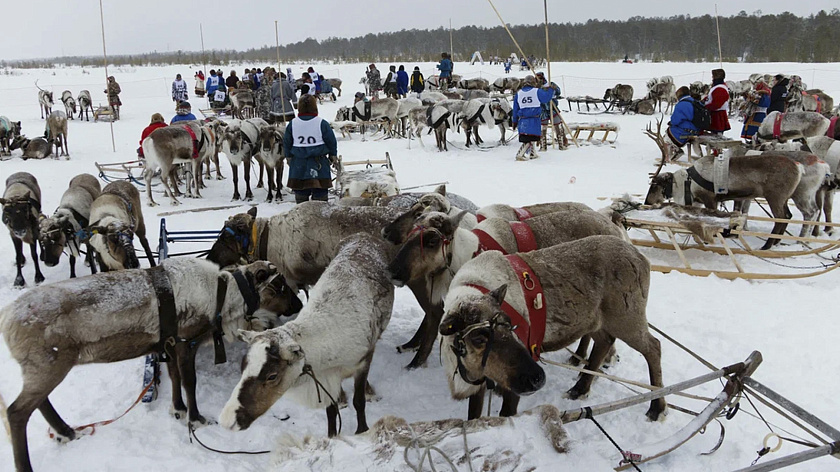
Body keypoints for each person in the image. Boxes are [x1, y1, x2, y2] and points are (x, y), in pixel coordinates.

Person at [283, 94, 337, 204]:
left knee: (301, 201)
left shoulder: (292, 124)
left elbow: (287, 143)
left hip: (298, 166)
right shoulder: (322, 123)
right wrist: (333, 155)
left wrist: (288, 157)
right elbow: (331, 141)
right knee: (320, 201)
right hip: (319, 165)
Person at [512, 75, 555, 161]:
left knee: (530, 136)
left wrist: (514, 121)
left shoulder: (519, 93)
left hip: (523, 119)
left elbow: (515, 108)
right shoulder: (536, 91)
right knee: (529, 138)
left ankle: (532, 153)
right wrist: (551, 89)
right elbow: (545, 98)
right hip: (533, 118)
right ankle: (520, 154)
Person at [535, 71, 568, 150]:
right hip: (543, 110)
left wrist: (553, 88)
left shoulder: (550, 84)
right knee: (543, 127)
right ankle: (543, 145)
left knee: (558, 125)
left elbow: (558, 92)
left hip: (552, 108)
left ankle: (561, 143)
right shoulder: (535, 88)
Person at [667, 86, 699, 160]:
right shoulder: (695, 102)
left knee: (667, 135)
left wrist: (671, 123)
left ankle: (670, 155)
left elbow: (675, 121)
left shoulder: (681, 105)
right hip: (696, 130)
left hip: (686, 132)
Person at [704, 68, 730, 134]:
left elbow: (716, 104)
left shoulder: (720, 89)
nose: (712, 78)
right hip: (715, 115)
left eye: (713, 76)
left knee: (717, 136)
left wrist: (705, 106)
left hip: (718, 117)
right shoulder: (717, 87)